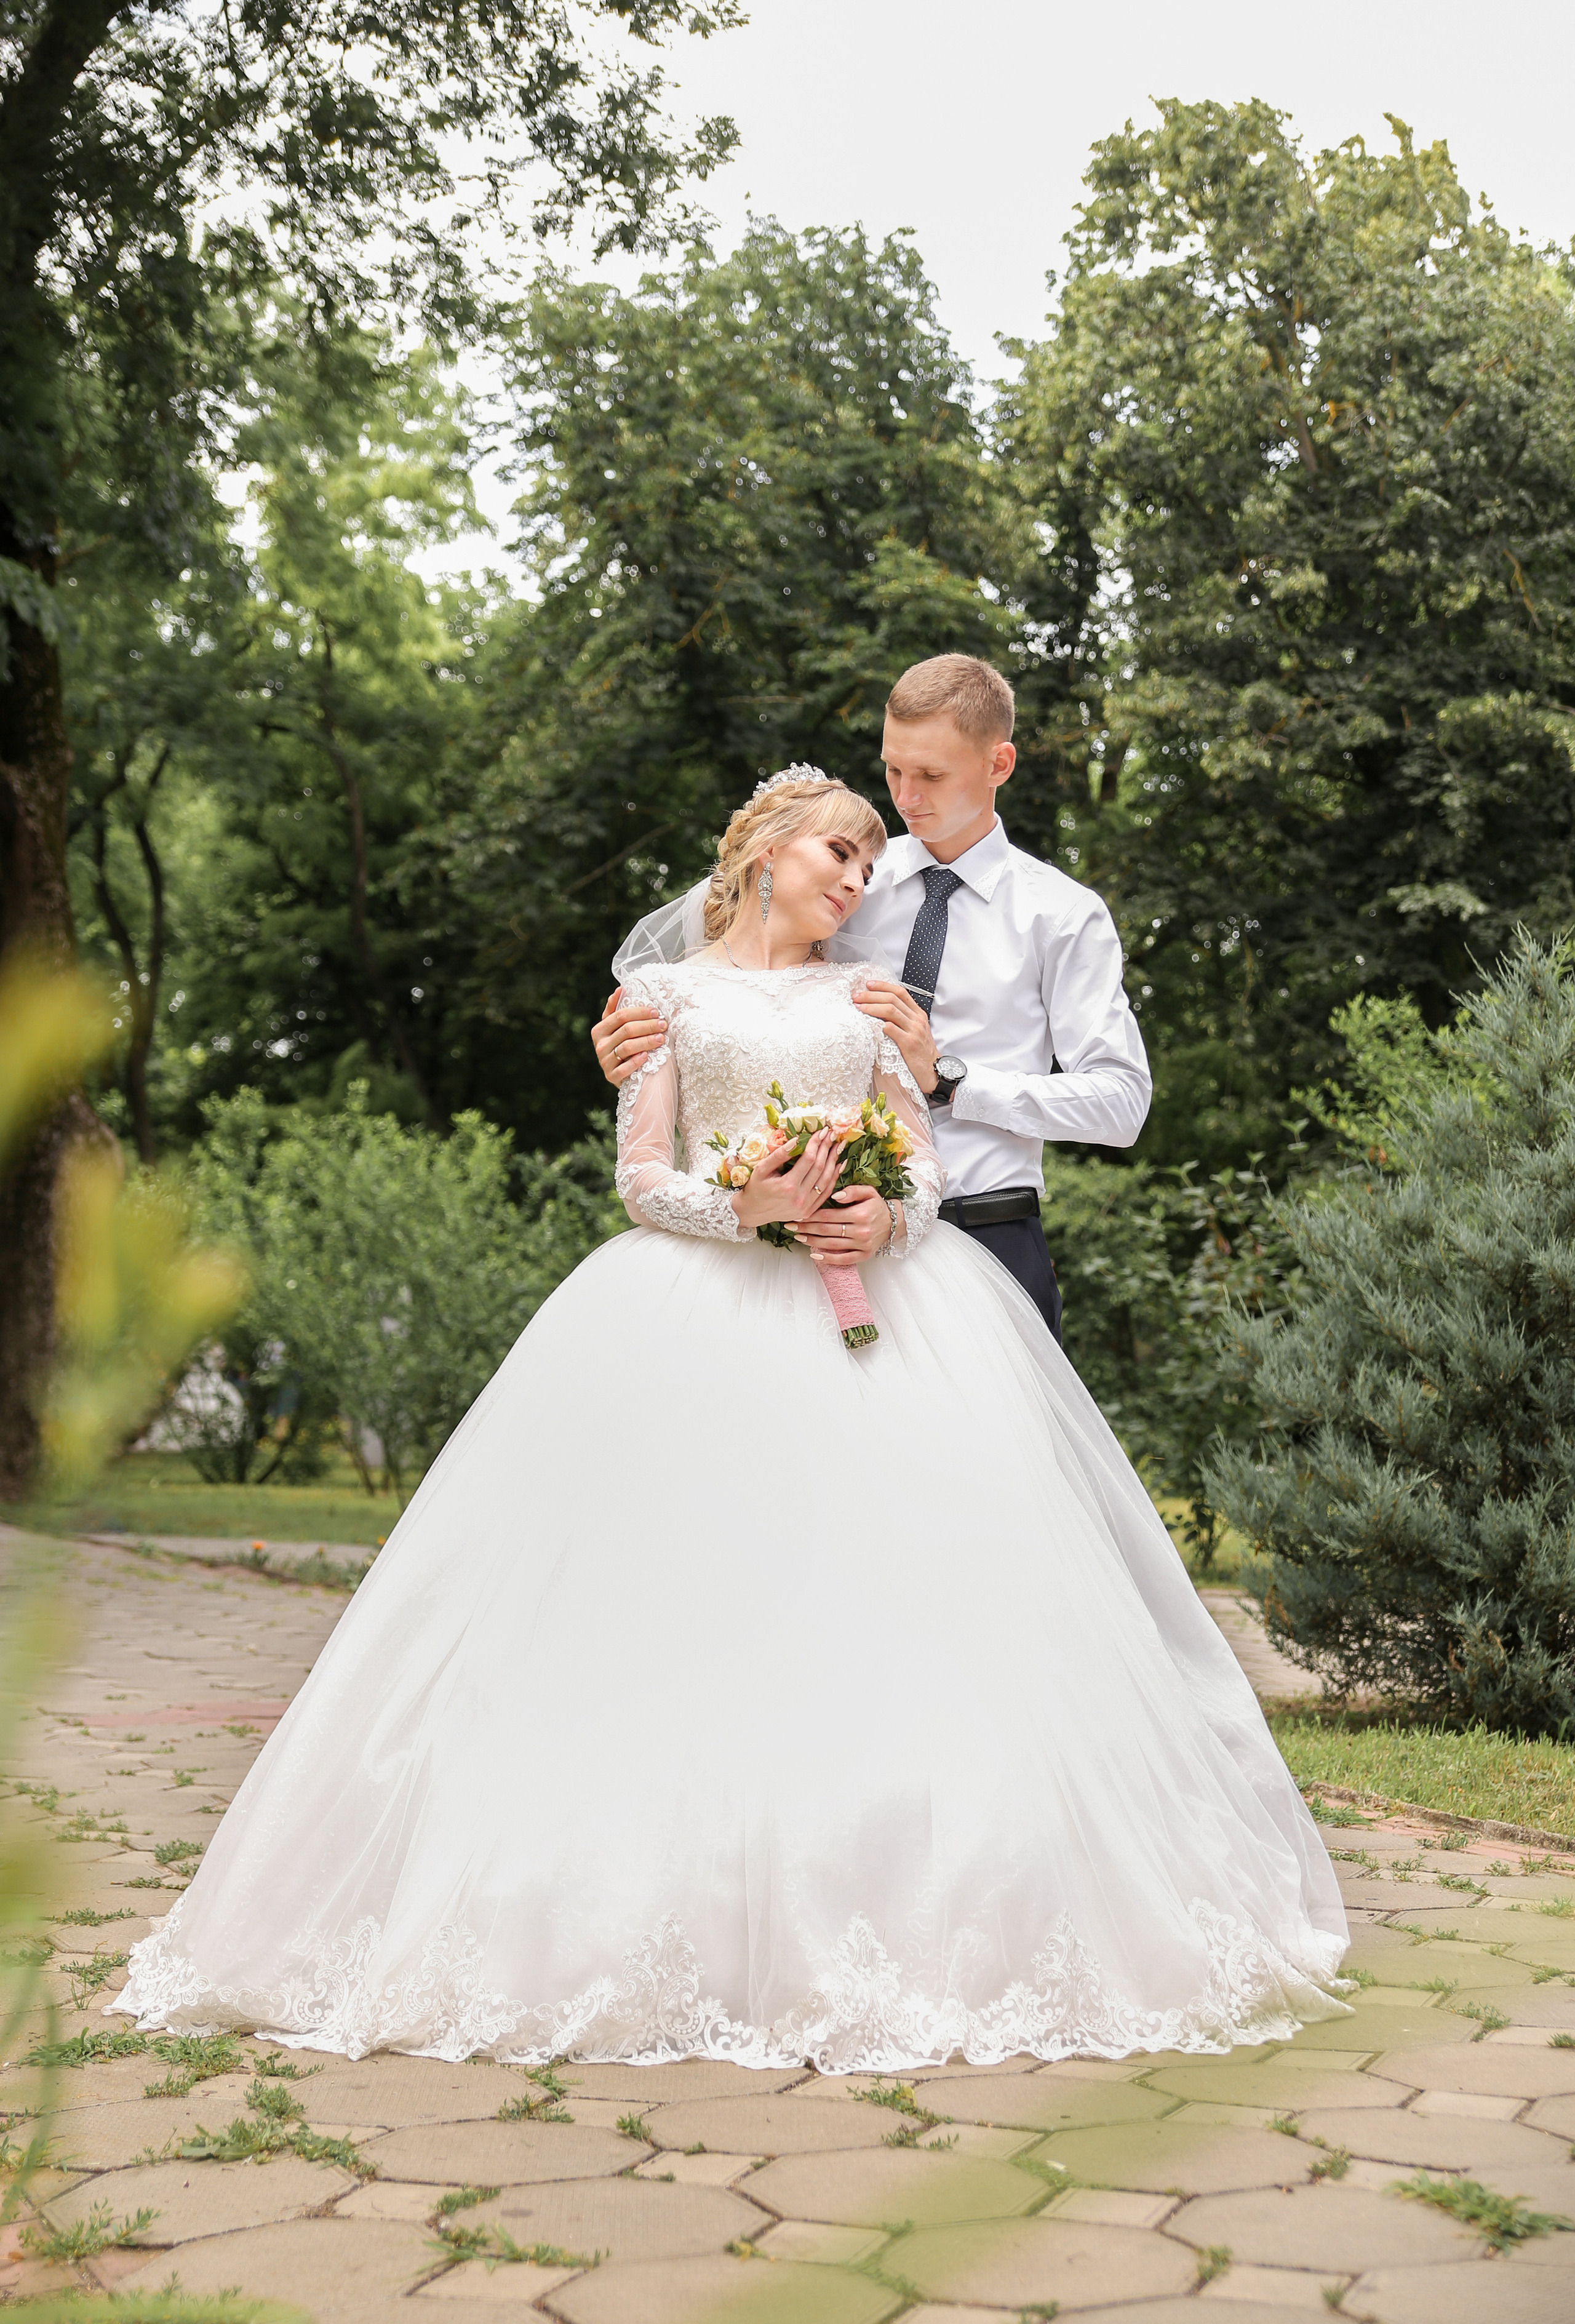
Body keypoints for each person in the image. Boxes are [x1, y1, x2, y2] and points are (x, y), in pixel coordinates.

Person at [113, 772, 1346, 2072]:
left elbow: (921, 1159)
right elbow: (642, 1178)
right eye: (838, 852)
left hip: (885, 1321)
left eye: (868, 867)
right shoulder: (660, 1003)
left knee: (895, 1605)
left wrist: (886, 1215)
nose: (856, 882)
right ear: (761, 852)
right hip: (688, 1316)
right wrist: (743, 1210)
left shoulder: (873, 1001)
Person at [594, 654, 1150, 1342]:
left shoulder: (1062, 914)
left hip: (986, 1232)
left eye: (931, 776)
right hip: (792, 1254)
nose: (906, 796)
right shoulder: (840, 882)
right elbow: (740, 987)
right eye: (892, 769)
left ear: (998, 765)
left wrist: (951, 1081)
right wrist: (642, 1043)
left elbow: (1122, 1105)